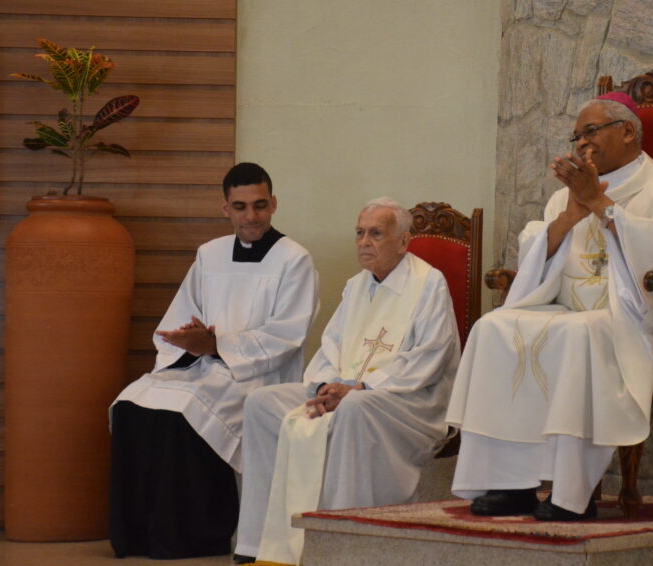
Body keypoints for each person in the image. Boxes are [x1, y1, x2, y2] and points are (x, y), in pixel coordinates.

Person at [446, 93, 653, 521]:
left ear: (627, 132)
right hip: (569, 313)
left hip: (633, 320)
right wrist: (570, 215)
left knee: (577, 333)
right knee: (493, 326)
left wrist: (601, 205)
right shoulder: (564, 196)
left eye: (591, 132)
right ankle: (511, 484)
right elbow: (537, 257)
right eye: (576, 136)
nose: (582, 144)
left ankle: (573, 494)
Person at [109, 162, 318, 559]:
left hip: (258, 375)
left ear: (274, 204)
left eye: (259, 205)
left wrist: (217, 346)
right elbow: (180, 317)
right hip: (201, 364)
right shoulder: (210, 254)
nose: (250, 217)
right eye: (240, 207)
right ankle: (135, 535)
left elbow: (287, 336)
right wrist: (185, 340)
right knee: (132, 403)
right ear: (225, 208)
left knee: (179, 413)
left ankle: (190, 536)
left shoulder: (295, 260)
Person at [234, 197, 460, 565]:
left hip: (410, 401)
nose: (363, 242)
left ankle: (341, 543)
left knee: (355, 407)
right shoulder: (355, 286)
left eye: (375, 234)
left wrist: (361, 388)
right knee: (261, 403)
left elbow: (430, 356)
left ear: (402, 242)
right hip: (347, 392)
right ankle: (260, 544)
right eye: (359, 233)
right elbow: (330, 345)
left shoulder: (428, 284)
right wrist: (325, 387)